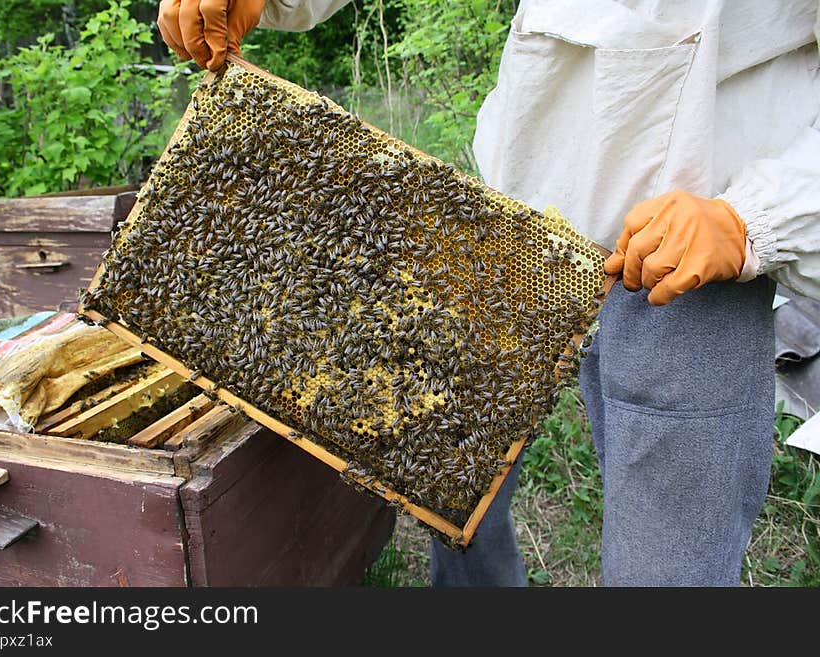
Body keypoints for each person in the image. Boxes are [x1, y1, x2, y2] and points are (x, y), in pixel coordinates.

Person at [156, 0, 820, 586]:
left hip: (683, 261)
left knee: (668, 574)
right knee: (449, 489)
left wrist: (753, 217)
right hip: (513, 220)